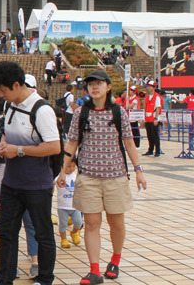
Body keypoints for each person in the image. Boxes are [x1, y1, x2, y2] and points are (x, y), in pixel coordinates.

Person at [58, 70, 147, 285]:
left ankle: (115, 261)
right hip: (88, 177)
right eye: (90, 84)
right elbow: (72, 143)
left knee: (116, 222)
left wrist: (138, 170)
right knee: (91, 222)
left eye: (99, 83)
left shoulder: (119, 112)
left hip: (116, 177)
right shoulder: (81, 113)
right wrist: (62, 170)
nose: (94, 87)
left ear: (108, 87)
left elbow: (128, 142)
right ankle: (94, 270)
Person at [0, 61, 60, 285]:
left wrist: (18, 150)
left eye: (2, 90)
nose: (0, 94)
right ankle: (4, 279)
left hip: (37, 185)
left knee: (42, 232)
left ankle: (45, 278)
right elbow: (8, 134)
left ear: (17, 85)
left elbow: (54, 146)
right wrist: (3, 144)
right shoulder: (9, 105)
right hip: (12, 183)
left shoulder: (42, 109)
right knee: (6, 233)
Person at [57, 161, 83, 249]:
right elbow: (53, 182)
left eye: (73, 166)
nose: (71, 168)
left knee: (78, 222)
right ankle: (63, 239)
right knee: (63, 224)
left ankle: (74, 233)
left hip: (75, 206)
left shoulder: (75, 176)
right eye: (69, 166)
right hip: (62, 206)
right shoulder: (59, 176)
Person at [142, 81, 162, 157]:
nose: (149, 88)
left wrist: (156, 118)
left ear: (154, 88)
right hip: (148, 118)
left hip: (153, 118)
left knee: (155, 135)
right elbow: (145, 107)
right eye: (148, 86)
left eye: (151, 86)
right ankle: (150, 150)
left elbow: (158, 108)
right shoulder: (147, 97)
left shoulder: (157, 96)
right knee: (149, 135)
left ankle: (157, 151)